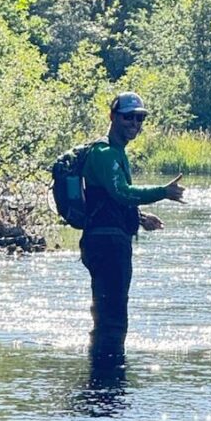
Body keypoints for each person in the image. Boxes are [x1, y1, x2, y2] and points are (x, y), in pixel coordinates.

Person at [80, 91, 185, 363]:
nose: (135, 124)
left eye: (140, 118)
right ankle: (107, 384)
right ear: (113, 117)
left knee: (109, 314)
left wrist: (139, 218)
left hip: (109, 241)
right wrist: (163, 192)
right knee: (112, 319)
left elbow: (110, 198)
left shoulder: (116, 153)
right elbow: (121, 193)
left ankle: (104, 374)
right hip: (107, 245)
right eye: (129, 117)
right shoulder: (104, 153)